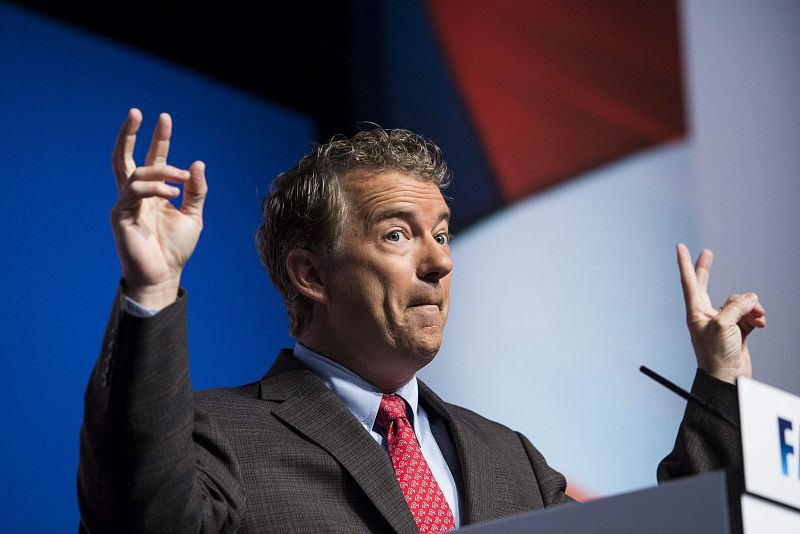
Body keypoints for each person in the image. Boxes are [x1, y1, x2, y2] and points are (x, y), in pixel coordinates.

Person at [78, 109, 767, 533]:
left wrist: (721, 380)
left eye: (441, 234)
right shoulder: (217, 436)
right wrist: (153, 287)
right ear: (311, 275)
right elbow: (138, 519)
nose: (440, 262)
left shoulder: (513, 462)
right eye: (398, 235)